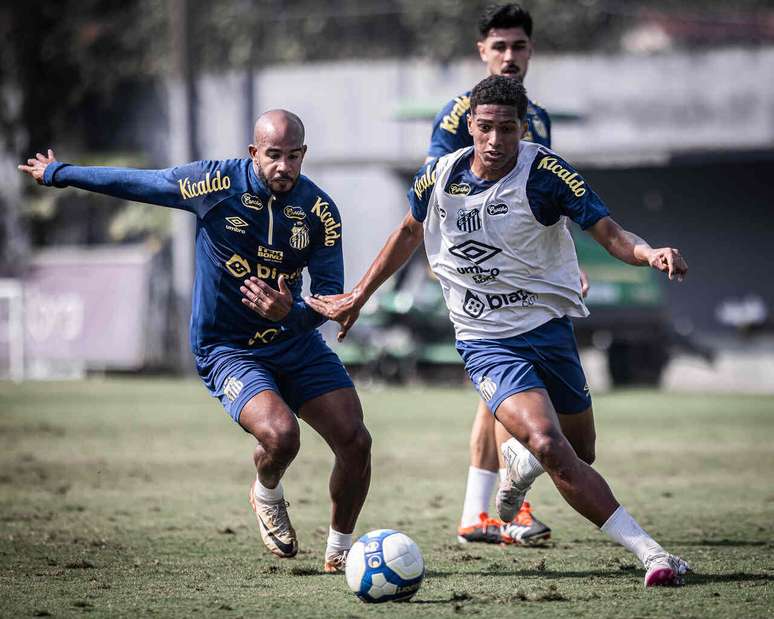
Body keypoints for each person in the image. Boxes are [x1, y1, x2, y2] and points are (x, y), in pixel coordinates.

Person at [307, 76, 691, 586]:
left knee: (581, 451)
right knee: (551, 444)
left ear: (521, 127)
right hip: (486, 341)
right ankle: (655, 555)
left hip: (549, 330)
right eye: (484, 128)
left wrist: (648, 253)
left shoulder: (547, 174)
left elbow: (611, 232)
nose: (494, 140)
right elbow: (408, 231)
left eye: (506, 129)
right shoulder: (439, 176)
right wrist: (359, 294)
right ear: (470, 125)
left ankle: (518, 460)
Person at [18, 110, 372, 574]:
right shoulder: (215, 184)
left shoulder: (320, 212)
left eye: (292, 156)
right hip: (227, 348)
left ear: (303, 154)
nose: (283, 167)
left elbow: (326, 300)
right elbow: (143, 183)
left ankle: (341, 548)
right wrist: (61, 173)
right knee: (282, 437)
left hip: (294, 343)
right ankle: (266, 490)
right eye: (272, 156)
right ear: (253, 153)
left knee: (355, 440)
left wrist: (293, 313)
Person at [427, 3, 566, 546]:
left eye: (519, 47)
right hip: (477, 280)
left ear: (531, 52)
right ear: (481, 52)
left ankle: (481, 514)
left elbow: (543, 203)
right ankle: (498, 510)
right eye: (499, 47)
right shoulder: (456, 116)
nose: (510, 57)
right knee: (508, 389)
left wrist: (560, 269)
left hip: (526, 281)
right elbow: (437, 194)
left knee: (500, 395)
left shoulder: (539, 118)